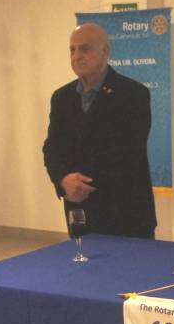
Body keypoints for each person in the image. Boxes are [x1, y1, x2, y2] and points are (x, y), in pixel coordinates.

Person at [42, 23, 156, 239]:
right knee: (82, 261)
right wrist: (63, 180)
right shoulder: (62, 97)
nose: (77, 56)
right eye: (72, 50)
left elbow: (127, 151)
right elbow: (52, 147)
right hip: (79, 211)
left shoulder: (133, 94)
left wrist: (80, 184)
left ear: (104, 52)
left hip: (125, 212)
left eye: (84, 49)